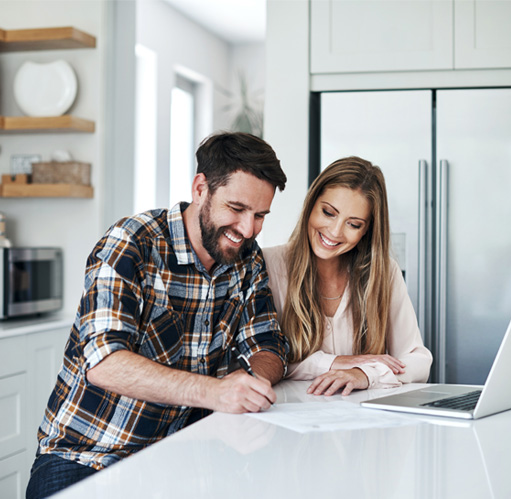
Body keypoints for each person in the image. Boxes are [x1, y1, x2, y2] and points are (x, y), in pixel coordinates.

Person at [26, 132, 289, 499]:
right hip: (89, 456)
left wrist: (250, 384)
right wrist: (215, 392)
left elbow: (268, 344)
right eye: (237, 208)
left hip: (184, 456)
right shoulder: (131, 243)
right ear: (201, 188)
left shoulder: (247, 257)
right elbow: (104, 362)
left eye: (260, 215)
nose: (248, 229)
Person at [263, 156, 432, 396]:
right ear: (311, 204)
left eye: (353, 224)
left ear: (367, 230)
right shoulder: (267, 265)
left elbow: (418, 360)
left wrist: (365, 374)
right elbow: (260, 362)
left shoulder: (384, 272)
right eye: (328, 212)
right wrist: (334, 362)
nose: (334, 232)